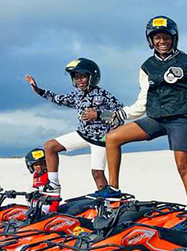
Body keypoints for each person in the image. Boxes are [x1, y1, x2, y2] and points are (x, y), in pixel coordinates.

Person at [94, 16, 187, 204]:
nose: (162, 42)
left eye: (166, 37)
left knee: (183, 167)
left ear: (174, 38)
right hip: (156, 119)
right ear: (150, 40)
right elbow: (144, 99)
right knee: (112, 138)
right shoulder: (147, 66)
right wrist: (122, 114)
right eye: (157, 38)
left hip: (181, 119)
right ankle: (113, 189)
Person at [26, 58, 124, 196]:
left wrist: (98, 114)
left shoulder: (103, 94)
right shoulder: (76, 94)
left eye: (83, 77)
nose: (79, 80)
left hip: (100, 140)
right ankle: (53, 184)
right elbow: (60, 99)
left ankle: (108, 203)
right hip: (83, 134)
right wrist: (39, 91)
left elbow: (121, 114)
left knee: (97, 173)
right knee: (50, 146)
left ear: (92, 77)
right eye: (76, 77)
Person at [23, 147, 58, 212]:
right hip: (37, 204)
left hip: (47, 206)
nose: (39, 167)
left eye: (41, 164)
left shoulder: (49, 175)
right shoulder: (36, 175)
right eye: (36, 164)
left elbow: (53, 190)